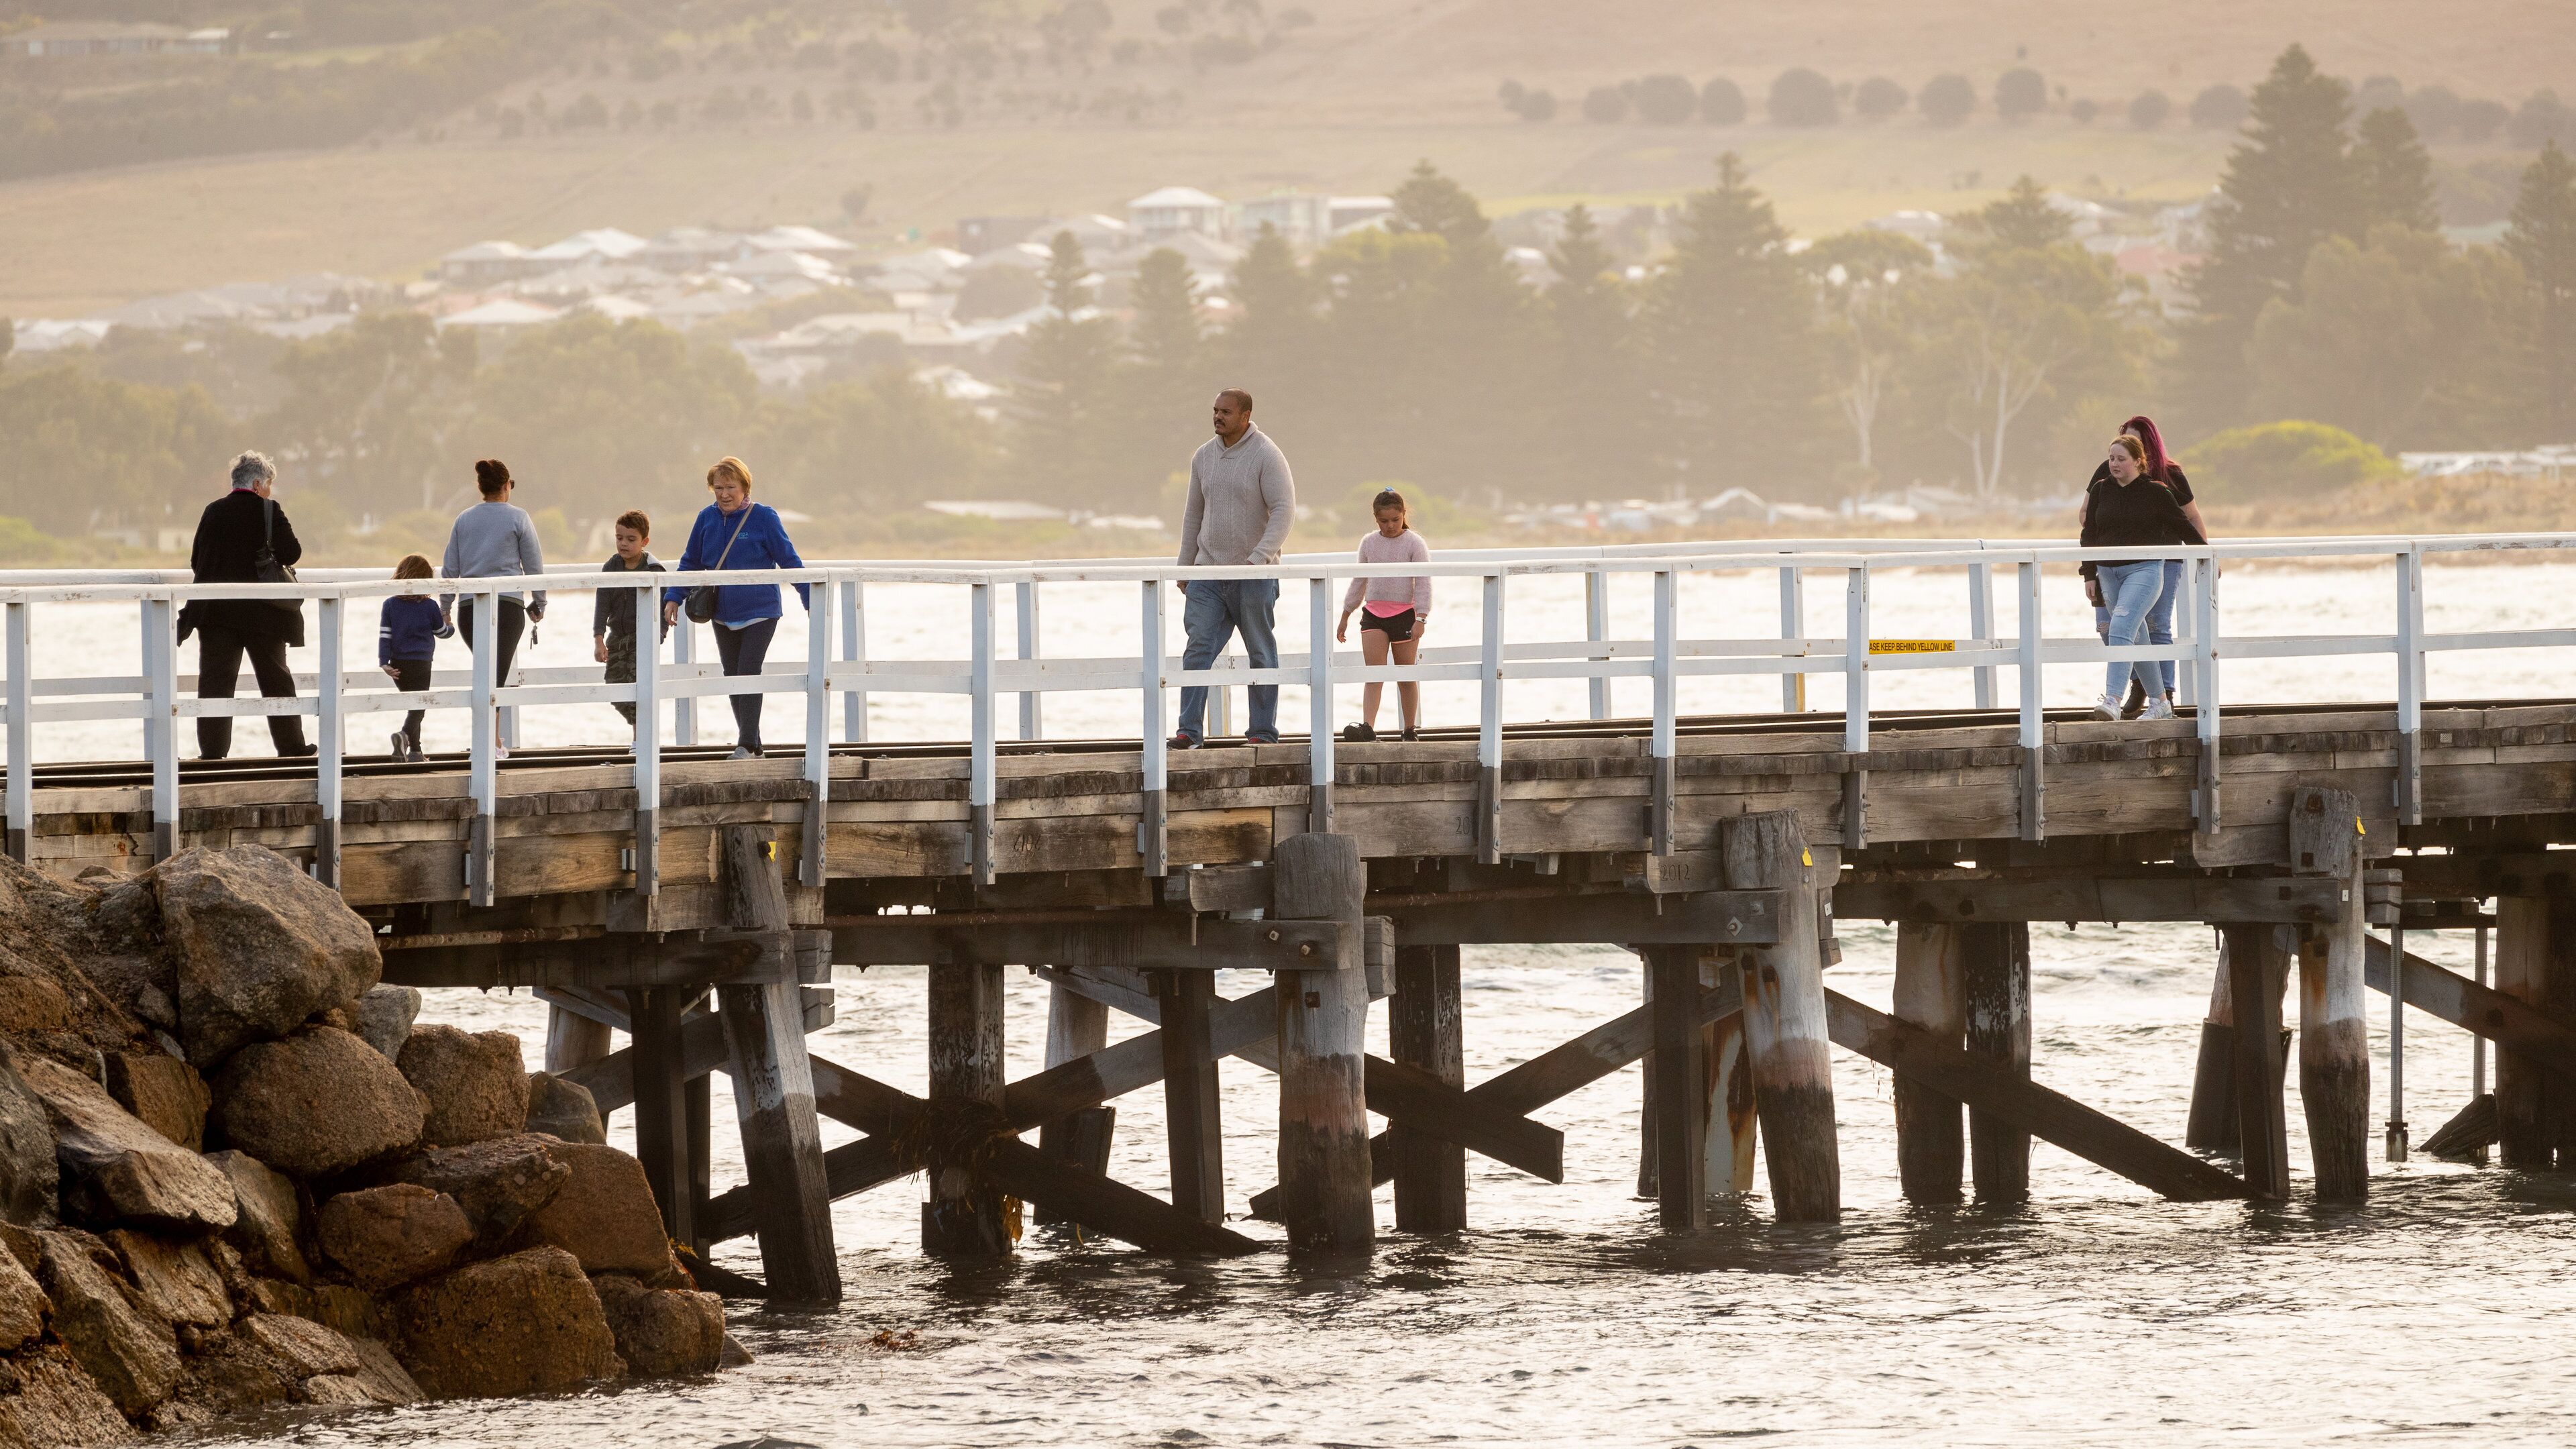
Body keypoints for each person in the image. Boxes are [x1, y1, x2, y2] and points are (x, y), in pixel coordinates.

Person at [660, 457, 807, 759]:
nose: (724, 494)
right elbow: (691, 561)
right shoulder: (706, 518)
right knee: (732, 675)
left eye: (730, 487)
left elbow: (789, 560)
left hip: (760, 611)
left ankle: (746, 745)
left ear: (744, 487)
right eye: (718, 488)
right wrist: (674, 595)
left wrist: (810, 597)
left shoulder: (764, 517)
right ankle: (754, 746)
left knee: (748, 672)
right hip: (721, 614)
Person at [1171, 388, 1295, 748]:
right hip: (1208, 574)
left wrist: (1258, 560)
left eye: (1225, 412)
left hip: (1254, 577)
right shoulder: (1203, 456)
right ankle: (1188, 732)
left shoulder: (1266, 454)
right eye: (1214, 410)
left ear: (1245, 415)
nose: (1217, 417)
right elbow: (1194, 514)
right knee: (1199, 649)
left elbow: (1284, 511)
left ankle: (1262, 733)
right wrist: (1185, 567)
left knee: (1260, 651)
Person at [176, 451, 314, 760]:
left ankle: (212, 753)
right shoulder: (268, 510)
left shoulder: (212, 511)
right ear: (257, 483)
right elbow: (292, 553)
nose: (269, 491)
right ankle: (292, 748)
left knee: (215, 683)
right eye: (268, 485)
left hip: (216, 613)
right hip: (263, 614)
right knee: (276, 680)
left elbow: (197, 560)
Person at [2081, 416, 2210, 716]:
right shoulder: (2103, 488)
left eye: (2121, 458)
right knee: (2133, 632)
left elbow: (2184, 523)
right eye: (2112, 457)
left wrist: (2206, 554)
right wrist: (2088, 573)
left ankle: (2112, 698)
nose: (2113, 463)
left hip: (2147, 568)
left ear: (2140, 459)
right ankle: (2160, 702)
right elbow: (2088, 531)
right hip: (2109, 571)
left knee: (2127, 625)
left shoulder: (2158, 489)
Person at [439, 459, 547, 760]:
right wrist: (540, 601)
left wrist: (445, 608)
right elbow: (534, 565)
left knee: (489, 673)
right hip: (509, 607)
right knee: (495, 675)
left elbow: (450, 569)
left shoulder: (463, 519)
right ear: (504, 486)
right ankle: (490, 743)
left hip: (470, 608)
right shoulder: (519, 518)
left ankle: (491, 740)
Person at [1334, 488, 1432, 741]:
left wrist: (1421, 617)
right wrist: (1346, 614)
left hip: (1404, 615)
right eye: (1384, 521)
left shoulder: (1414, 543)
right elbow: (1360, 580)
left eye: (1395, 520)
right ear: (1375, 518)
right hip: (1374, 613)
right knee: (1374, 673)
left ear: (1403, 515)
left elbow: (1423, 582)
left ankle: (1410, 729)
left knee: (1405, 675)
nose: (1390, 526)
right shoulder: (1369, 543)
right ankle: (1367, 727)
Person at [591, 509, 666, 742]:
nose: (624, 544)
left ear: (644, 541)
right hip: (617, 636)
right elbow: (601, 605)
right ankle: (637, 729)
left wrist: (659, 634)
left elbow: (663, 605)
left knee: (638, 686)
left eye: (631, 539)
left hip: (642, 636)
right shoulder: (611, 567)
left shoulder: (653, 569)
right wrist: (599, 638)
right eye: (619, 538)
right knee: (614, 686)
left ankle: (640, 740)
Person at [378, 554, 441, 761]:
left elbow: (385, 635)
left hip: (397, 664)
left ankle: (415, 752)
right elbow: (440, 631)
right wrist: (450, 627)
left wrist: (384, 663)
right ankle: (404, 736)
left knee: (415, 706)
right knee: (419, 707)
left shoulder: (390, 604)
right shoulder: (430, 606)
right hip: (421, 662)